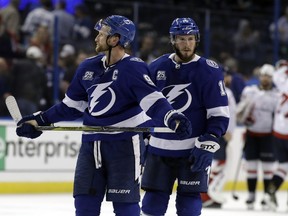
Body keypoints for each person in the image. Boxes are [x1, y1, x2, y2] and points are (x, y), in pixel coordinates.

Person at [15, 15, 192, 216]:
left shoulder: (134, 67)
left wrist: (171, 116)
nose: (96, 37)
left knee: (126, 209)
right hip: (91, 145)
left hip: (124, 146)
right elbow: (71, 107)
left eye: (102, 34)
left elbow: (153, 102)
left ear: (114, 39)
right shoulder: (87, 67)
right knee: (84, 207)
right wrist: (40, 120)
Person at [140, 17, 229, 216]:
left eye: (190, 39)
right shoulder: (156, 67)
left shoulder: (209, 71)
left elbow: (219, 115)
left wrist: (210, 141)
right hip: (158, 150)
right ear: (172, 40)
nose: (186, 44)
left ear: (196, 39)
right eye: (181, 39)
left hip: (192, 152)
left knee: (189, 207)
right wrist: (143, 137)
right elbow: (144, 107)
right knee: (151, 205)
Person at [236, 64, 279, 210]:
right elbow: (240, 111)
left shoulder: (277, 95)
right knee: (251, 167)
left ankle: (266, 196)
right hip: (252, 134)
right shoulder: (250, 91)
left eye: (268, 76)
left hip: (268, 135)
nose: (265, 78)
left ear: (272, 78)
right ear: (260, 76)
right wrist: (243, 117)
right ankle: (251, 195)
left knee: (268, 168)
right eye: (263, 75)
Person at [201, 66, 237, 209]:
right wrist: (229, 130)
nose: (229, 79)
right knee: (218, 163)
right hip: (219, 131)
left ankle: (206, 194)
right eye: (228, 76)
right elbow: (230, 114)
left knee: (211, 162)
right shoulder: (226, 92)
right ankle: (206, 193)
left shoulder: (207, 88)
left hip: (209, 130)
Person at [264, 60, 288, 211]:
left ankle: (269, 194)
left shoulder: (280, 88)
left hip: (278, 132)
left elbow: (279, 75)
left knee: (283, 166)